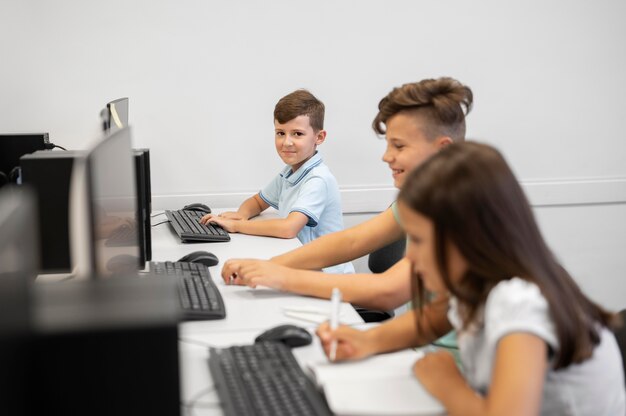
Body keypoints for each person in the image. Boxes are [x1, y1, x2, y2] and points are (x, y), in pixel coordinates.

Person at [317, 142, 626, 415]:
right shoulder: (476, 286)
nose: (410, 258)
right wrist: (364, 341)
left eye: (419, 241)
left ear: (467, 240)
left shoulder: (519, 300)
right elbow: (432, 321)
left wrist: (448, 383)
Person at [220, 77, 472, 313]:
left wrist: (278, 275)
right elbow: (350, 242)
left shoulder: (464, 215)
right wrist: (270, 264)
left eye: (399, 145)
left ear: (442, 150)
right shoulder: (417, 203)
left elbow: (390, 291)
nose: (386, 156)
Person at [200, 89, 353, 274]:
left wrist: (237, 226)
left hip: (327, 276)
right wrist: (242, 214)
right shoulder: (290, 172)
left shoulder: (318, 179)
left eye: (297, 134)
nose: (286, 142)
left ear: (319, 137)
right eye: (280, 133)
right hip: (302, 264)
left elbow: (289, 228)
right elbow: (257, 201)